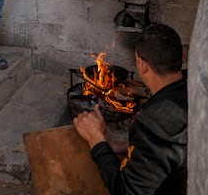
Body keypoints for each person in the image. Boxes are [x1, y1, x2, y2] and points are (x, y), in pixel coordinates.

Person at [73, 24, 187, 194]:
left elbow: (125, 191)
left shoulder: (154, 124)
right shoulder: (191, 87)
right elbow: (166, 151)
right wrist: (121, 146)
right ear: (182, 57)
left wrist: (96, 139)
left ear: (142, 65)